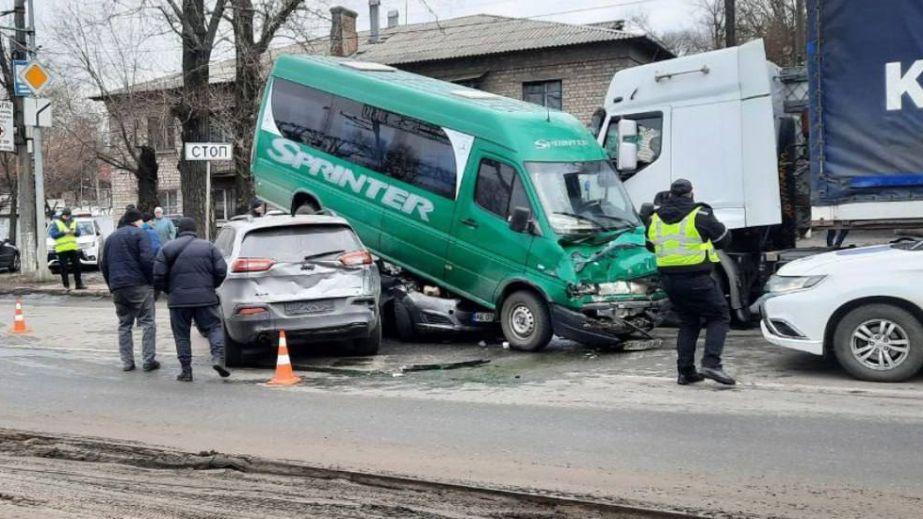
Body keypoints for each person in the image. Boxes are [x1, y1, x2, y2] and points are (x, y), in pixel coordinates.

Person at [646, 179, 736, 386]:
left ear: (670, 194)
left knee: (689, 321)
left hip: (669, 281)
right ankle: (712, 363)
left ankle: (685, 372)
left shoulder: (654, 219)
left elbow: (650, 246)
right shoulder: (700, 214)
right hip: (696, 278)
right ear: (691, 193)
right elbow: (723, 240)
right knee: (719, 316)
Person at [153, 217, 230, 382]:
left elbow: (158, 275)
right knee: (213, 328)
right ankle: (218, 358)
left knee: (181, 334)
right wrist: (210, 286)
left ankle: (186, 371)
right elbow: (222, 270)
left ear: (179, 230)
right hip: (205, 298)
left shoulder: (167, 248)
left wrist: (170, 290)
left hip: (178, 299)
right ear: (195, 230)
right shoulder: (208, 247)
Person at [100, 208, 159, 372]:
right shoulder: (141, 234)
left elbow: (103, 264)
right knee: (148, 322)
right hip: (139, 284)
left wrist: (111, 285)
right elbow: (147, 259)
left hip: (118, 287)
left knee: (124, 324)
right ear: (137, 221)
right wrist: (151, 281)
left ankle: (127, 362)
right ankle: (148, 360)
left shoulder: (111, 238)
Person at [49, 208, 86, 290]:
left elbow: (79, 233)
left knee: (77, 266)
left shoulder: (73, 222)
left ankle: (79, 284)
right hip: (62, 249)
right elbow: (53, 235)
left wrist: (73, 232)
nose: (67, 217)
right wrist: (63, 232)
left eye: (68, 216)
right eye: (65, 216)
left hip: (72, 248)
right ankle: (66, 285)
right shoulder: (57, 223)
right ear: (62, 215)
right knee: (64, 268)